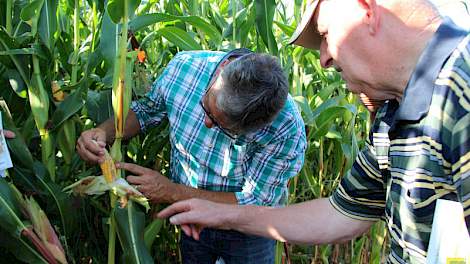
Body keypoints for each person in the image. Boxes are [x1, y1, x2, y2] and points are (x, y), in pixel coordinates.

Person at [157, 0, 470, 263]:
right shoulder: (394, 114)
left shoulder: (461, 91)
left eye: (325, 34)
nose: (323, 59)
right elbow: (339, 214)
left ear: (366, 10)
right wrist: (220, 214)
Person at [76, 49, 306, 263]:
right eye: (206, 107)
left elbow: (255, 201)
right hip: (192, 222)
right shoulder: (184, 69)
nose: (207, 123)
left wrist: (172, 192)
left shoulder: (285, 127)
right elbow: (147, 111)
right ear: (222, 68)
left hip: (248, 230)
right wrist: (103, 132)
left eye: (222, 127)